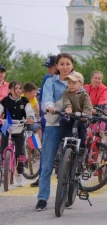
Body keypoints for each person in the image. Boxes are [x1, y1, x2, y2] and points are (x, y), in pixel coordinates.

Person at [36, 53, 74, 211]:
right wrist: (50, 106)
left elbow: (83, 97)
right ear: (57, 66)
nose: (65, 67)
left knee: (72, 160)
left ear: (72, 65)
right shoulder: (50, 82)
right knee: (47, 163)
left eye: (68, 64)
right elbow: (46, 99)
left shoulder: (76, 81)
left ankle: (68, 192)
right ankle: (42, 198)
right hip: (53, 124)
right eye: (62, 64)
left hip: (71, 125)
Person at [0, 81, 35, 187]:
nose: (19, 90)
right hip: (7, 128)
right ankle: (2, 170)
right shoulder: (5, 101)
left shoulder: (24, 101)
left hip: (19, 128)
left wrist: (30, 118)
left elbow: (29, 111)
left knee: (20, 152)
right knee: (3, 149)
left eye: (20, 88)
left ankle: (19, 173)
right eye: (16, 88)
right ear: (10, 90)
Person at [30, 55, 58, 188]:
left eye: (50, 67)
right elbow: (42, 101)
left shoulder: (69, 79)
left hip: (64, 117)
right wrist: (41, 116)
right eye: (48, 67)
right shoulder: (47, 78)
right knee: (46, 149)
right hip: (48, 118)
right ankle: (42, 175)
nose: (49, 70)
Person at [60, 71, 92, 155]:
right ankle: (66, 141)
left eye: (74, 83)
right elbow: (66, 100)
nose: (71, 85)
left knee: (82, 125)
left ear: (81, 84)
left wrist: (86, 113)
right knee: (63, 121)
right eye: (69, 83)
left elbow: (88, 105)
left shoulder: (84, 94)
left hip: (82, 117)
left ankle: (82, 147)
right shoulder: (66, 92)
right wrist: (68, 107)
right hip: (71, 115)